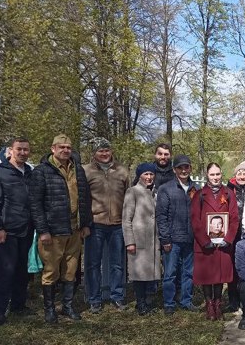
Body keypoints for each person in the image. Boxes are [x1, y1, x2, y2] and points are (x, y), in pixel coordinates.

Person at [28, 134, 93, 324]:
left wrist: (85, 224)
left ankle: (67, 306)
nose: (65, 150)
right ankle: (49, 309)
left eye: (68, 147)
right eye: (61, 147)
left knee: (70, 270)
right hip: (53, 231)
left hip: (74, 229)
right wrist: (43, 230)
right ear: (53, 148)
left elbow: (85, 198)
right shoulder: (41, 172)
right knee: (50, 271)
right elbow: (35, 204)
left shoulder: (78, 170)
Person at [0, 137, 35, 326]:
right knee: (4, 271)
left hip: (26, 229)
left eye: (26, 149)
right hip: (7, 230)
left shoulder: (29, 173)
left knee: (22, 269)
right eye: (19, 149)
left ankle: (18, 305)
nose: (22, 152)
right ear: (10, 150)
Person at [82, 139, 130, 313]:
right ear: (94, 153)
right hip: (95, 224)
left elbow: (128, 197)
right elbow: (82, 200)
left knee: (117, 263)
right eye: (100, 151)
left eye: (107, 150)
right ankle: (94, 298)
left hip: (117, 224)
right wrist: (84, 223)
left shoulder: (122, 171)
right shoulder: (86, 171)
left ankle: (117, 295)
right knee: (93, 263)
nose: (104, 154)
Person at [191, 163, 240, 320]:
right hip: (205, 242)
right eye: (212, 175)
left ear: (221, 175)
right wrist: (205, 240)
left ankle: (218, 304)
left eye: (218, 174)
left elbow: (234, 218)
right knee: (207, 275)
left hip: (223, 242)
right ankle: (209, 304)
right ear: (207, 176)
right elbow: (195, 220)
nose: (215, 177)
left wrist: (228, 238)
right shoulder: (199, 195)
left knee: (219, 275)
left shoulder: (229, 194)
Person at [155, 155, 200, 314]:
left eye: (186, 167)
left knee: (188, 272)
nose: (183, 170)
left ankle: (186, 300)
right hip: (172, 239)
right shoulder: (166, 189)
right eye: (180, 168)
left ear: (190, 168)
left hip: (190, 238)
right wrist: (165, 238)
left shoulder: (196, 189)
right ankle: (169, 303)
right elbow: (161, 216)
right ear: (174, 170)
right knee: (170, 273)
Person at [122, 164, 162, 316]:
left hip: (152, 240)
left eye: (151, 174)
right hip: (139, 239)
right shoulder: (132, 192)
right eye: (146, 174)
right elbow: (126, 219)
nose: (149, 177)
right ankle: (140, 302)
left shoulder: (154, 192)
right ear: (139, 175)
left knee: (149, 273)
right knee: (139, 273)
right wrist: (129, 241)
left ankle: (147, 300)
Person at [225, 164, 245, 313]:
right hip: (233, 233)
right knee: (233, 266)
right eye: (239, 173)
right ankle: (233, 299)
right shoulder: (228, 190)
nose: (242, 176)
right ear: (235, 175)